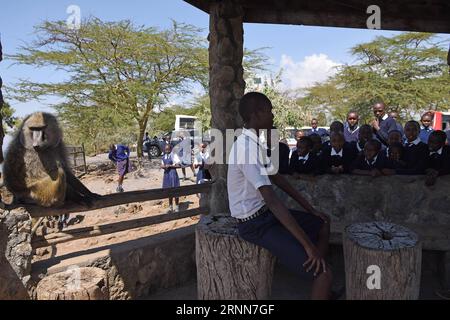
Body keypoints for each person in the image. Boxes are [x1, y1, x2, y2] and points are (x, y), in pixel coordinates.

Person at [228, 92, 334, 300]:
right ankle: (319, 273)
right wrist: (308, 246)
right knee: (325, 275)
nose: (273, 115)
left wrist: (310, 209)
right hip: (254, 224)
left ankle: (315, 272)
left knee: (322, 223)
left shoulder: (255, 144)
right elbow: (272, 200)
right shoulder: (245, 148)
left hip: (265, 215)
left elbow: (277, 179)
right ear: (256, 114)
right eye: (269, 110)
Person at [161, 144, 181, 212]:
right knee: (169, 191)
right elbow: (162, 164)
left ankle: (177, 206)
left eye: (168, 149)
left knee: (175, 189)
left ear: (171, 149)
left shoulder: (174, 156)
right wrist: (163, 166)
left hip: (173, 174)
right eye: (166, 149)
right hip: (166, 175)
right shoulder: (163, 157)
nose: (167, 151)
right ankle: (170, 206)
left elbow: (179, 165)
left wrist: (171, 166)